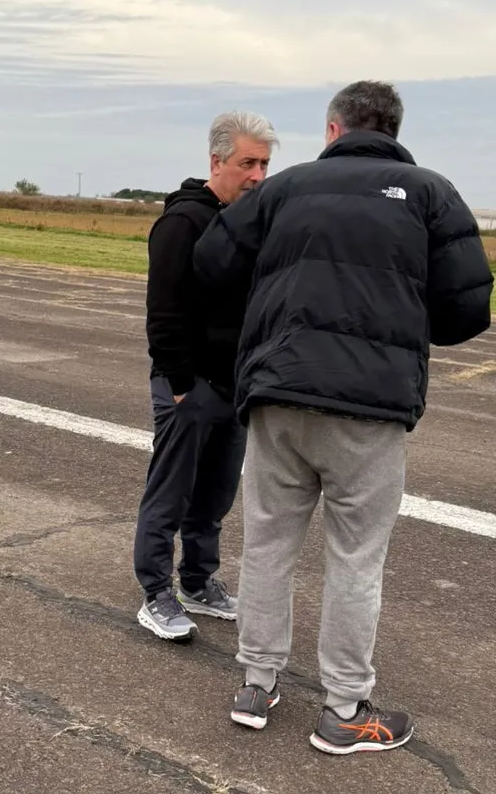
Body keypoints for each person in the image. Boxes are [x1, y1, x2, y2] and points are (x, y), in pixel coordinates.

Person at [192, 81, 493, 753]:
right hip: (368, 407)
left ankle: (256, 682)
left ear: (334, 129)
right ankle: (344, 707)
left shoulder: (285, 188)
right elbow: (467, 308)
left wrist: (273, 304)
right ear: (393, 129)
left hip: (277, 392)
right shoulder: (430, 193)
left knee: (268, 543)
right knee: (356, 557)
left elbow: (211, 261)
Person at [133, 110, 280, 641]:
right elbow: (163, 314)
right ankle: (156, 592)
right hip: (189, 386)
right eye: (248, 163)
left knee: (215, 497)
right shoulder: (183, 223)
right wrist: (179, 385)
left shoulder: (250, 225)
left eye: (264, 164)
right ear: (217, 161)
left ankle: (198, 582)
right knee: (170, 493)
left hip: (234, 387)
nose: (257, 175)